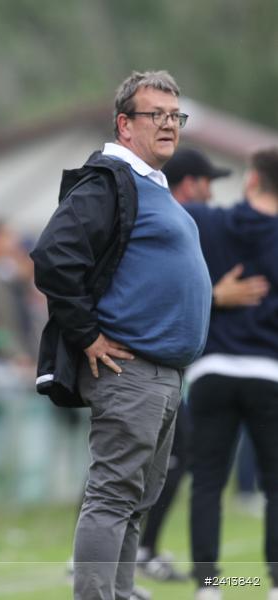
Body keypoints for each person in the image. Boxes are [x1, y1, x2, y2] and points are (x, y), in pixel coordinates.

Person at [32, 70, 211, 600]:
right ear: (124, 124)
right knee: (114, 497)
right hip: (128, 369)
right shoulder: (111, 179)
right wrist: (87, 335)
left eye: (175, 116)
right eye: (155, 115)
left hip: (162, 374)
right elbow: (53, 256)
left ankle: (121, 592)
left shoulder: (150, 182)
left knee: (137, 498)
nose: (169, 125)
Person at [135, 148, 263, 582]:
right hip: (157, 364)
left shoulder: (203, 224)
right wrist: (216, 295)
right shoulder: (186, 221)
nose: (212, 190)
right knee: (135, 460)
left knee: (185, 465)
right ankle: (118, 555)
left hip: (196, 372)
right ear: (190, 184)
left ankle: (162, 561)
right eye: (208, 181)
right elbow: (162, 287)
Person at [183, 148, 278, 600]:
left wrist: (215, 297)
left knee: (207, 481)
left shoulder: (209, 221)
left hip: (212, 368)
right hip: (270, 372)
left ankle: (209, 587)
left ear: (252, 179)